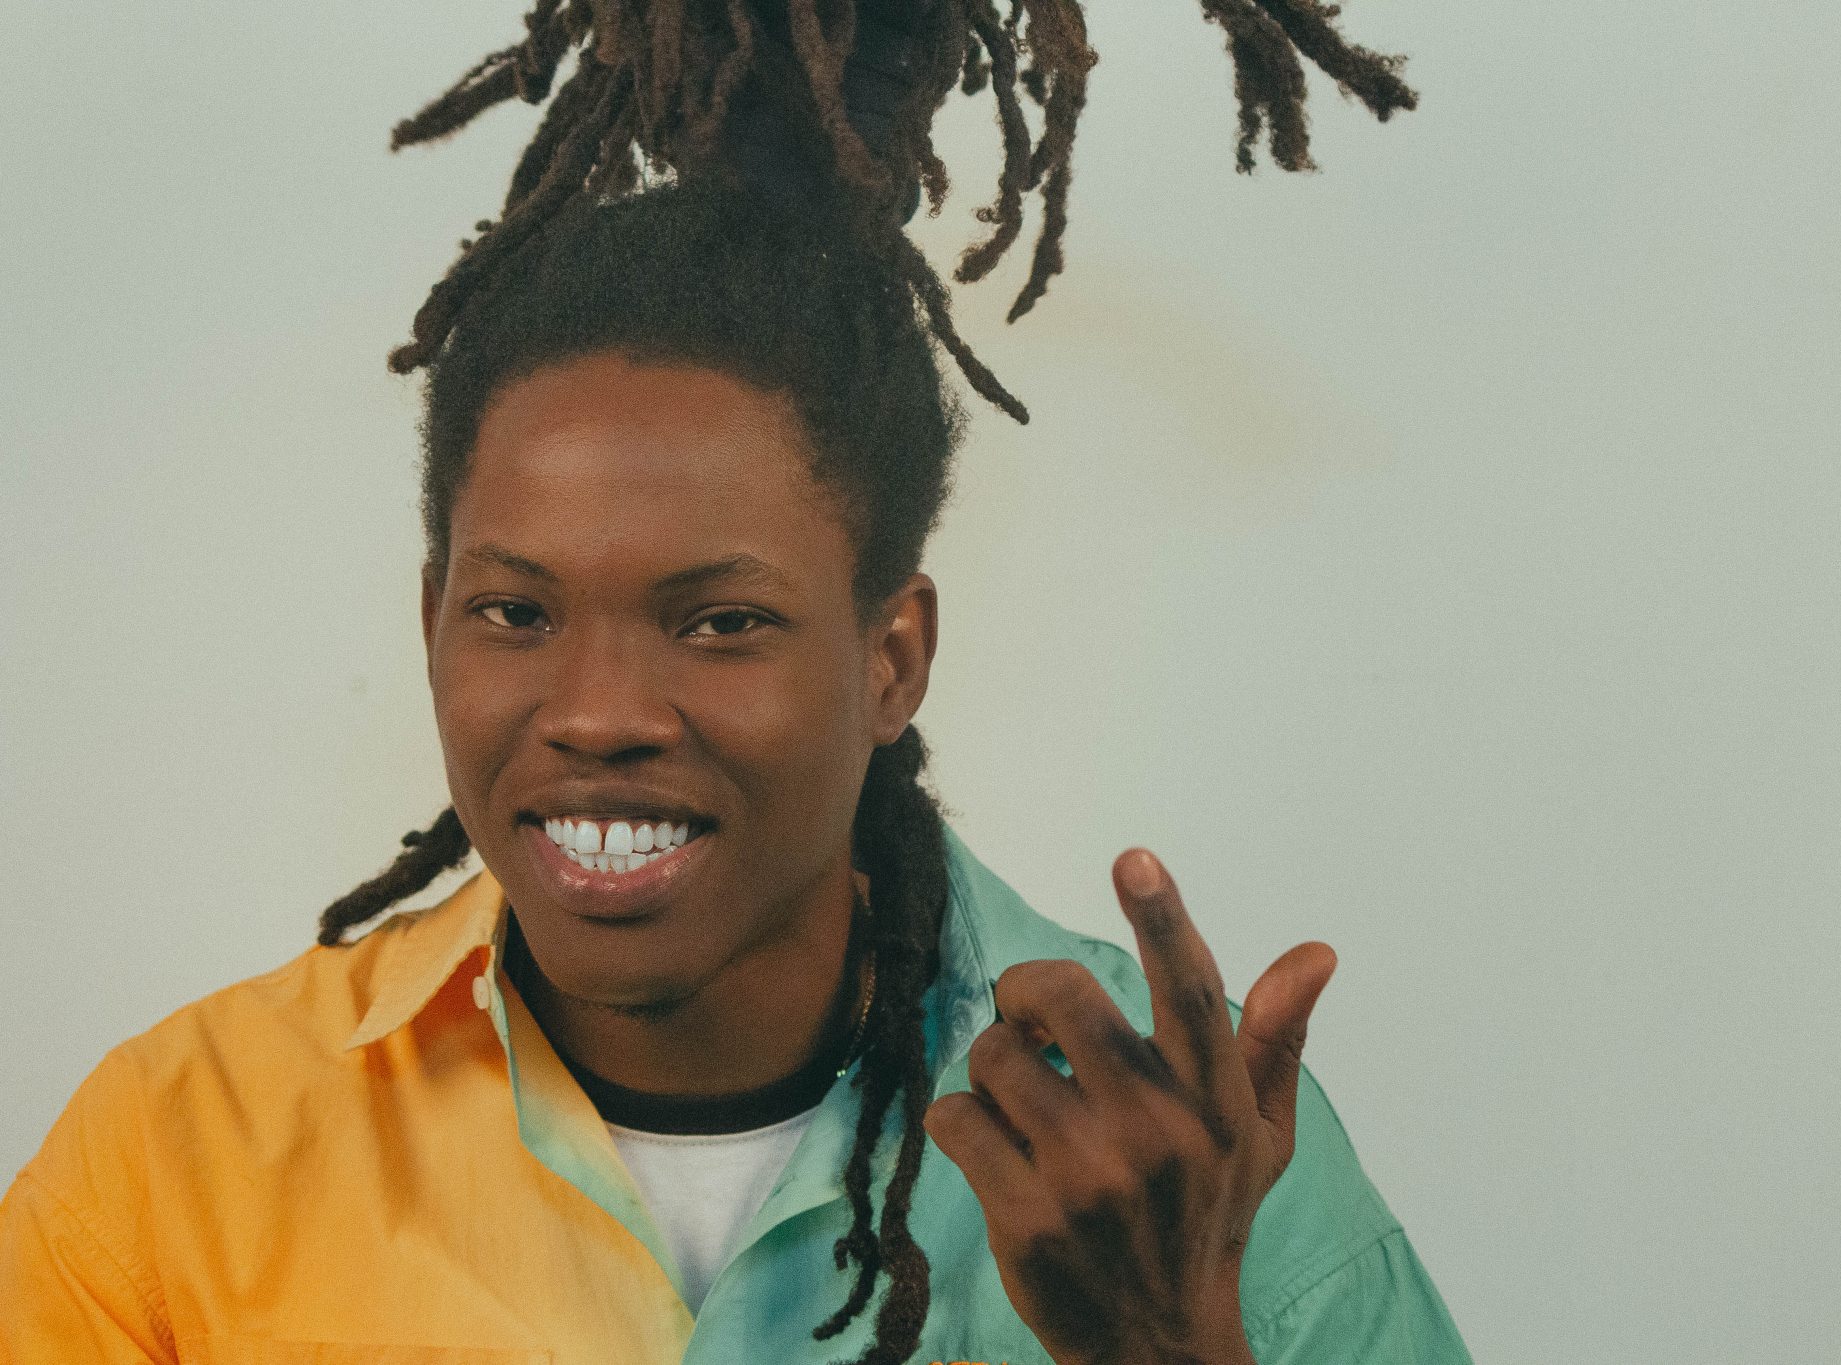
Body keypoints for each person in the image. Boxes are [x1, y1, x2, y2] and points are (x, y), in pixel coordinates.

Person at [0, 5, 1468, 1362]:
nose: (597, 713)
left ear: (892, 657)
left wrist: (1165, 1342)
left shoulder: (1190, 1160)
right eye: (515, 611)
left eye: (719, 623)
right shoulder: (177, 1159)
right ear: (432, 618)